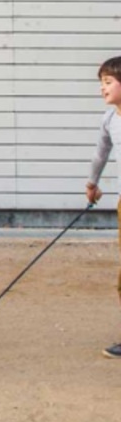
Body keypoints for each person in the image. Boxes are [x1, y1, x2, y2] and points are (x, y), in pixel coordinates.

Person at [85, 55, 121, 359]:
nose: (102, 88)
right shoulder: (109, 120)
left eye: (108, 82)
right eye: (101, 83)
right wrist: (92, 183)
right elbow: (101, 153)